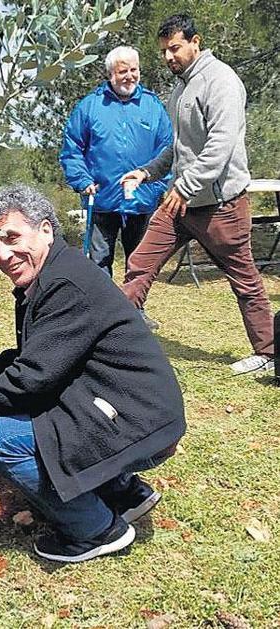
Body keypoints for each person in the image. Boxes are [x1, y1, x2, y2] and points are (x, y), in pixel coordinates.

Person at [0, 185, 185, 563]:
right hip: (139, 411)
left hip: (141, 423)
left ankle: (96, 529)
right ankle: (124, 493)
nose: (3, 255)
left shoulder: (63, 284)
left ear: (46, 230)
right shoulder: (54, 272)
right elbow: (40, 353)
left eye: (12, 238)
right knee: (43, 412)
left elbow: (34, 374)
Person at [120, 14, 275, 374]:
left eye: (174, 48)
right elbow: (179, 148)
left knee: (245, 280)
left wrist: (186, 186)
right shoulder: (180, 88)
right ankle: (116, 344)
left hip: (221, 205)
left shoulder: (221, 81)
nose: (168, 57)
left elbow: (220, 147)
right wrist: (147, 172)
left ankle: (268, 354)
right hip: (182, 202)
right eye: (163, 52)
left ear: (195, 41)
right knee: (140, 264)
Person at [60, 46, 172, 286]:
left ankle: (135, 313)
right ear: (110, 74)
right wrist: (82, 180)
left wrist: (155, 188)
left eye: (134, 70)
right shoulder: (90, 106)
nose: (129, 76)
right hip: (101, 199)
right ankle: (104, 317)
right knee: (98, 261)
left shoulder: (153, 107)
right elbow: (72, 148)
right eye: (123, 71)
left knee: (140, 262)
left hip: (143, 199)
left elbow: (167, 151)